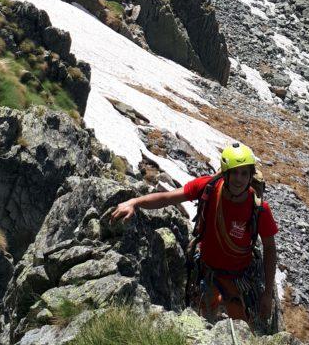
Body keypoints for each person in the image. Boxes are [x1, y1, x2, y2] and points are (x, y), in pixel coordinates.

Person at [111, 141, 279, 329]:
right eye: (235, 173)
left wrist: (267, 294)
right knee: (204, 322)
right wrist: (135, 202)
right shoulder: (208, 188)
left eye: (244, 173)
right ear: (225, 173)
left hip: (237, 275)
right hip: (208, 271)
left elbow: (270, 248)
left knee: (243, 328)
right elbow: (167, 198)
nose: (239, 179)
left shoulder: (259, 209)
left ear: (250, 176)